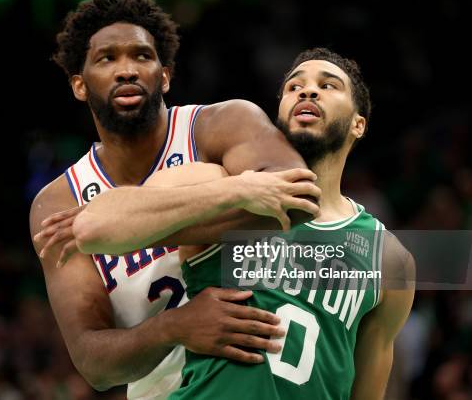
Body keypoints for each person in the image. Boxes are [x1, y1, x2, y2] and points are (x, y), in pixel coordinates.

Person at [57, 48, 416, 399]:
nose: (307, 91)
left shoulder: (388, 258)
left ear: (358, 124)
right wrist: (240, 189)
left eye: (328, 85)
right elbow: (94, 226)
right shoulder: (219, 182)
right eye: (294, 87)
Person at [30, 0, 321, 399]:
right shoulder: (59, 201)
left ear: (164, 76)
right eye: (106, 59)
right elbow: (93, 362)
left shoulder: (220, 126)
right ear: (80, 85)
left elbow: (301, 199)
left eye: (142, 56)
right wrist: (176, 327)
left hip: (259, 376)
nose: (126, 70)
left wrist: (127, 230)